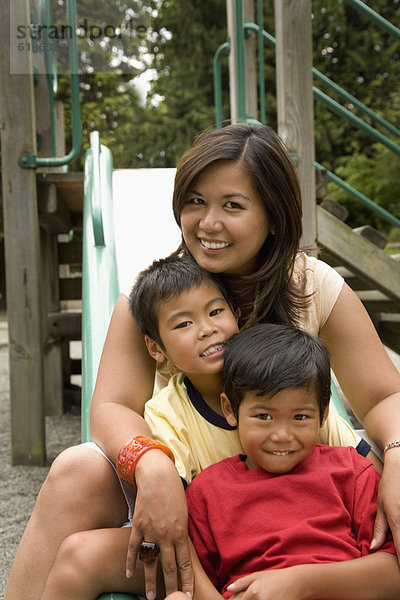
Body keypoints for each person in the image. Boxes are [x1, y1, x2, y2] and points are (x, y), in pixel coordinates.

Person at [5, 123, 400, 600]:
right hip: (195, 487)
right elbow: (112, 405)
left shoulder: (310, 285)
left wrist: (398, 456)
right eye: (195, 201)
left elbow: (384, 397)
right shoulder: (155, 299)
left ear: (274, 217)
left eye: (232, 205)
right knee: (77, 471)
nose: (208, 223)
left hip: (302, 484)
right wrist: (152, 467)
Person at [39, 253, 241, 599]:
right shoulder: (166, 415)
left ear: (236, 314)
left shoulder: (276, 384)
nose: (207, 328)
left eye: (215, 312)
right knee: (78, 556)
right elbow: (178, 525)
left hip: (281, 533)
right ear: (155, 348)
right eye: (183, 324)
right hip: (207, 546)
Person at [167, 324, 400, 600]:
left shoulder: (350, 472)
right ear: (230, 410)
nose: (282, 435)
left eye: (300, 417)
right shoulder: (207, 492)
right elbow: (195, 578)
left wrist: (300, 582)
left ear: (323, 414)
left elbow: (392, 574)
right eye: (264, 416)